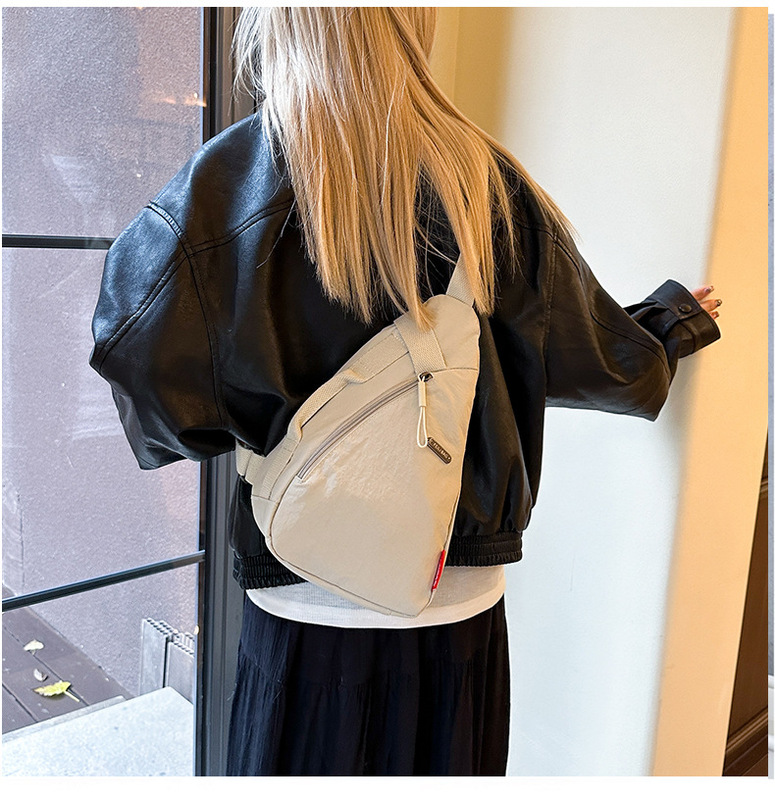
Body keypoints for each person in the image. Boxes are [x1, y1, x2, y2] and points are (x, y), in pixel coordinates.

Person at [89, 7, 723, 777]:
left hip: (301, 588)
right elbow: (586, 357)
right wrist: (667, 323)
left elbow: (137, 356)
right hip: (454, 602)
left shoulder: (227, 184)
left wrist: (245, 419)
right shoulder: (484, 182)